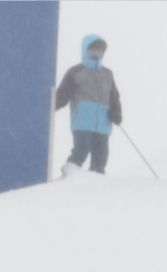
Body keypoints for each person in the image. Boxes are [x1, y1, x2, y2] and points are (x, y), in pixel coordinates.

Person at [54, 34, 122, 175]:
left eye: (99, 52)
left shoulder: (108, 74)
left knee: (101, 157)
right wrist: (49, 107)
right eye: (92, 51)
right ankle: (69, 176)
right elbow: (62, 95)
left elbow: (114, 97)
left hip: (103, 123)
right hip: (82, 121)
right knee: (81, 151)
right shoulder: (76, 72)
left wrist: (116, 113)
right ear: (84, 51)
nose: (96, 55)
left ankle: (95, 182)